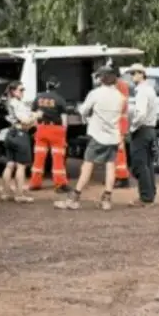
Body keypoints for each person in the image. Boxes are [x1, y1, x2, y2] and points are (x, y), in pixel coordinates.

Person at [54, 64, 126, 211]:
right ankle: (106, 199)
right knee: (110, 166)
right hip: (113, 136)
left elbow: (84, 110)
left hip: (97, 136)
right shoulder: (120, 96)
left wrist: (80, 110)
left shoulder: (96, 93)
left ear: (102, 78)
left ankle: (74, 197)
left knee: (87, 165)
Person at [27, 75, 70, 193]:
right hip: (55, 129)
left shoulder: (38, 98)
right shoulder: (60, 99)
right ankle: (60, 184)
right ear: (57, 86)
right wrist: (64, 131)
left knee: (39, 157)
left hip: (41, 129)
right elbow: (64, 118)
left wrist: (37, 128)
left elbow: (34, 115)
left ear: (47, 85)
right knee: (58, 157)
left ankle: (34, 183)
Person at [125, 63, 158, 206]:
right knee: (148, 164)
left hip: (142, 129)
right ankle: (150, 193)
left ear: (141, 74)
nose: (132, 76)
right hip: (150, 129)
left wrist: (132, 127)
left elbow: (141, 113)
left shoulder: (142, 91)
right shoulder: (150, 89)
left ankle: (145, 197)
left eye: (134, 73)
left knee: (139, 164)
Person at [0, 81, 36, 203]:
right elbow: (25, 121)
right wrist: (35, 116)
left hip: (10, 134)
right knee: (21, 166)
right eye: (21, 89)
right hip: (20, 135)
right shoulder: (17, 104)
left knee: (9, 164)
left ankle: (5, 193)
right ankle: (19, 195)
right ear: (13, 91)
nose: (23, 92)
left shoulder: (7, 103)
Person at [113, 74, 132, 188]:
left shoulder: (120, 86)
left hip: (119, 122)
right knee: (117, 151)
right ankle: (118, 175)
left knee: (119, 150)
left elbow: (121, 105)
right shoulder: (120, 85)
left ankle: (122, 177)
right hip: (118, 122)